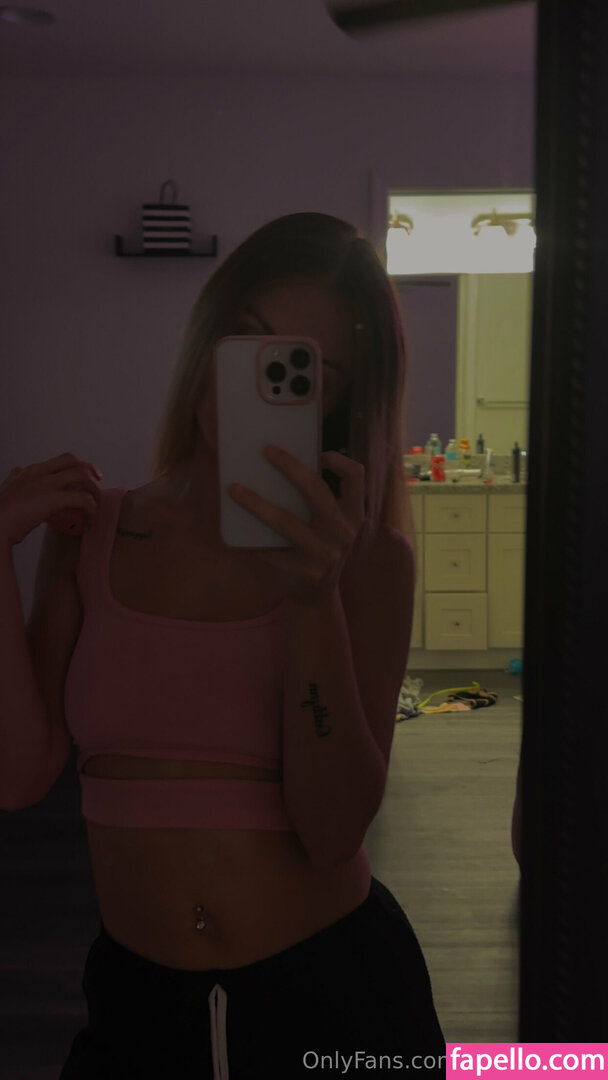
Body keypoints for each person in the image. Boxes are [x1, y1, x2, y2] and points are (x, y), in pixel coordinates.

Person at [0, 212, 445, 1078]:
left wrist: (313, 598)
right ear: (207, 333)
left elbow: (332, 830)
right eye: (247, 337)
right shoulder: (91, 532)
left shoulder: (367, 562)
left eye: (300, 370)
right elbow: (18, 776)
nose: (256, 379)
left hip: (336, 998)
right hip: (137, 1008)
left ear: (338, 400)